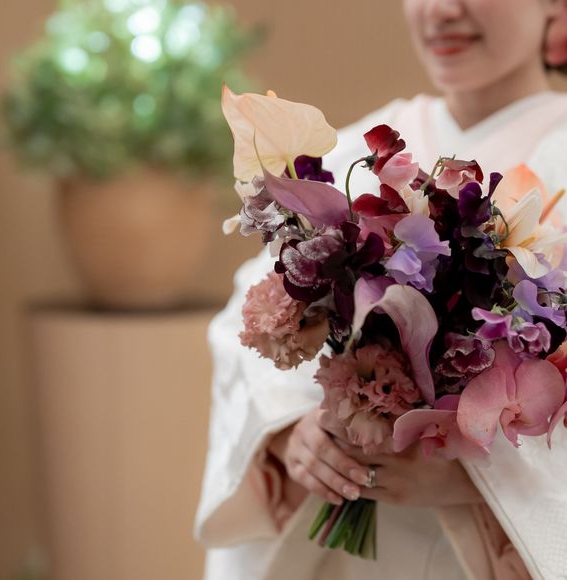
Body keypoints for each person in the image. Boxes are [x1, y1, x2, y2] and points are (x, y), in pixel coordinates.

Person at [195, 1, 567, 578]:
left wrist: (481, 480)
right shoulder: (359, 152)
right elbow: (252, 306)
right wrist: (289, 429)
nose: (441, 10)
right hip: (341, 536)